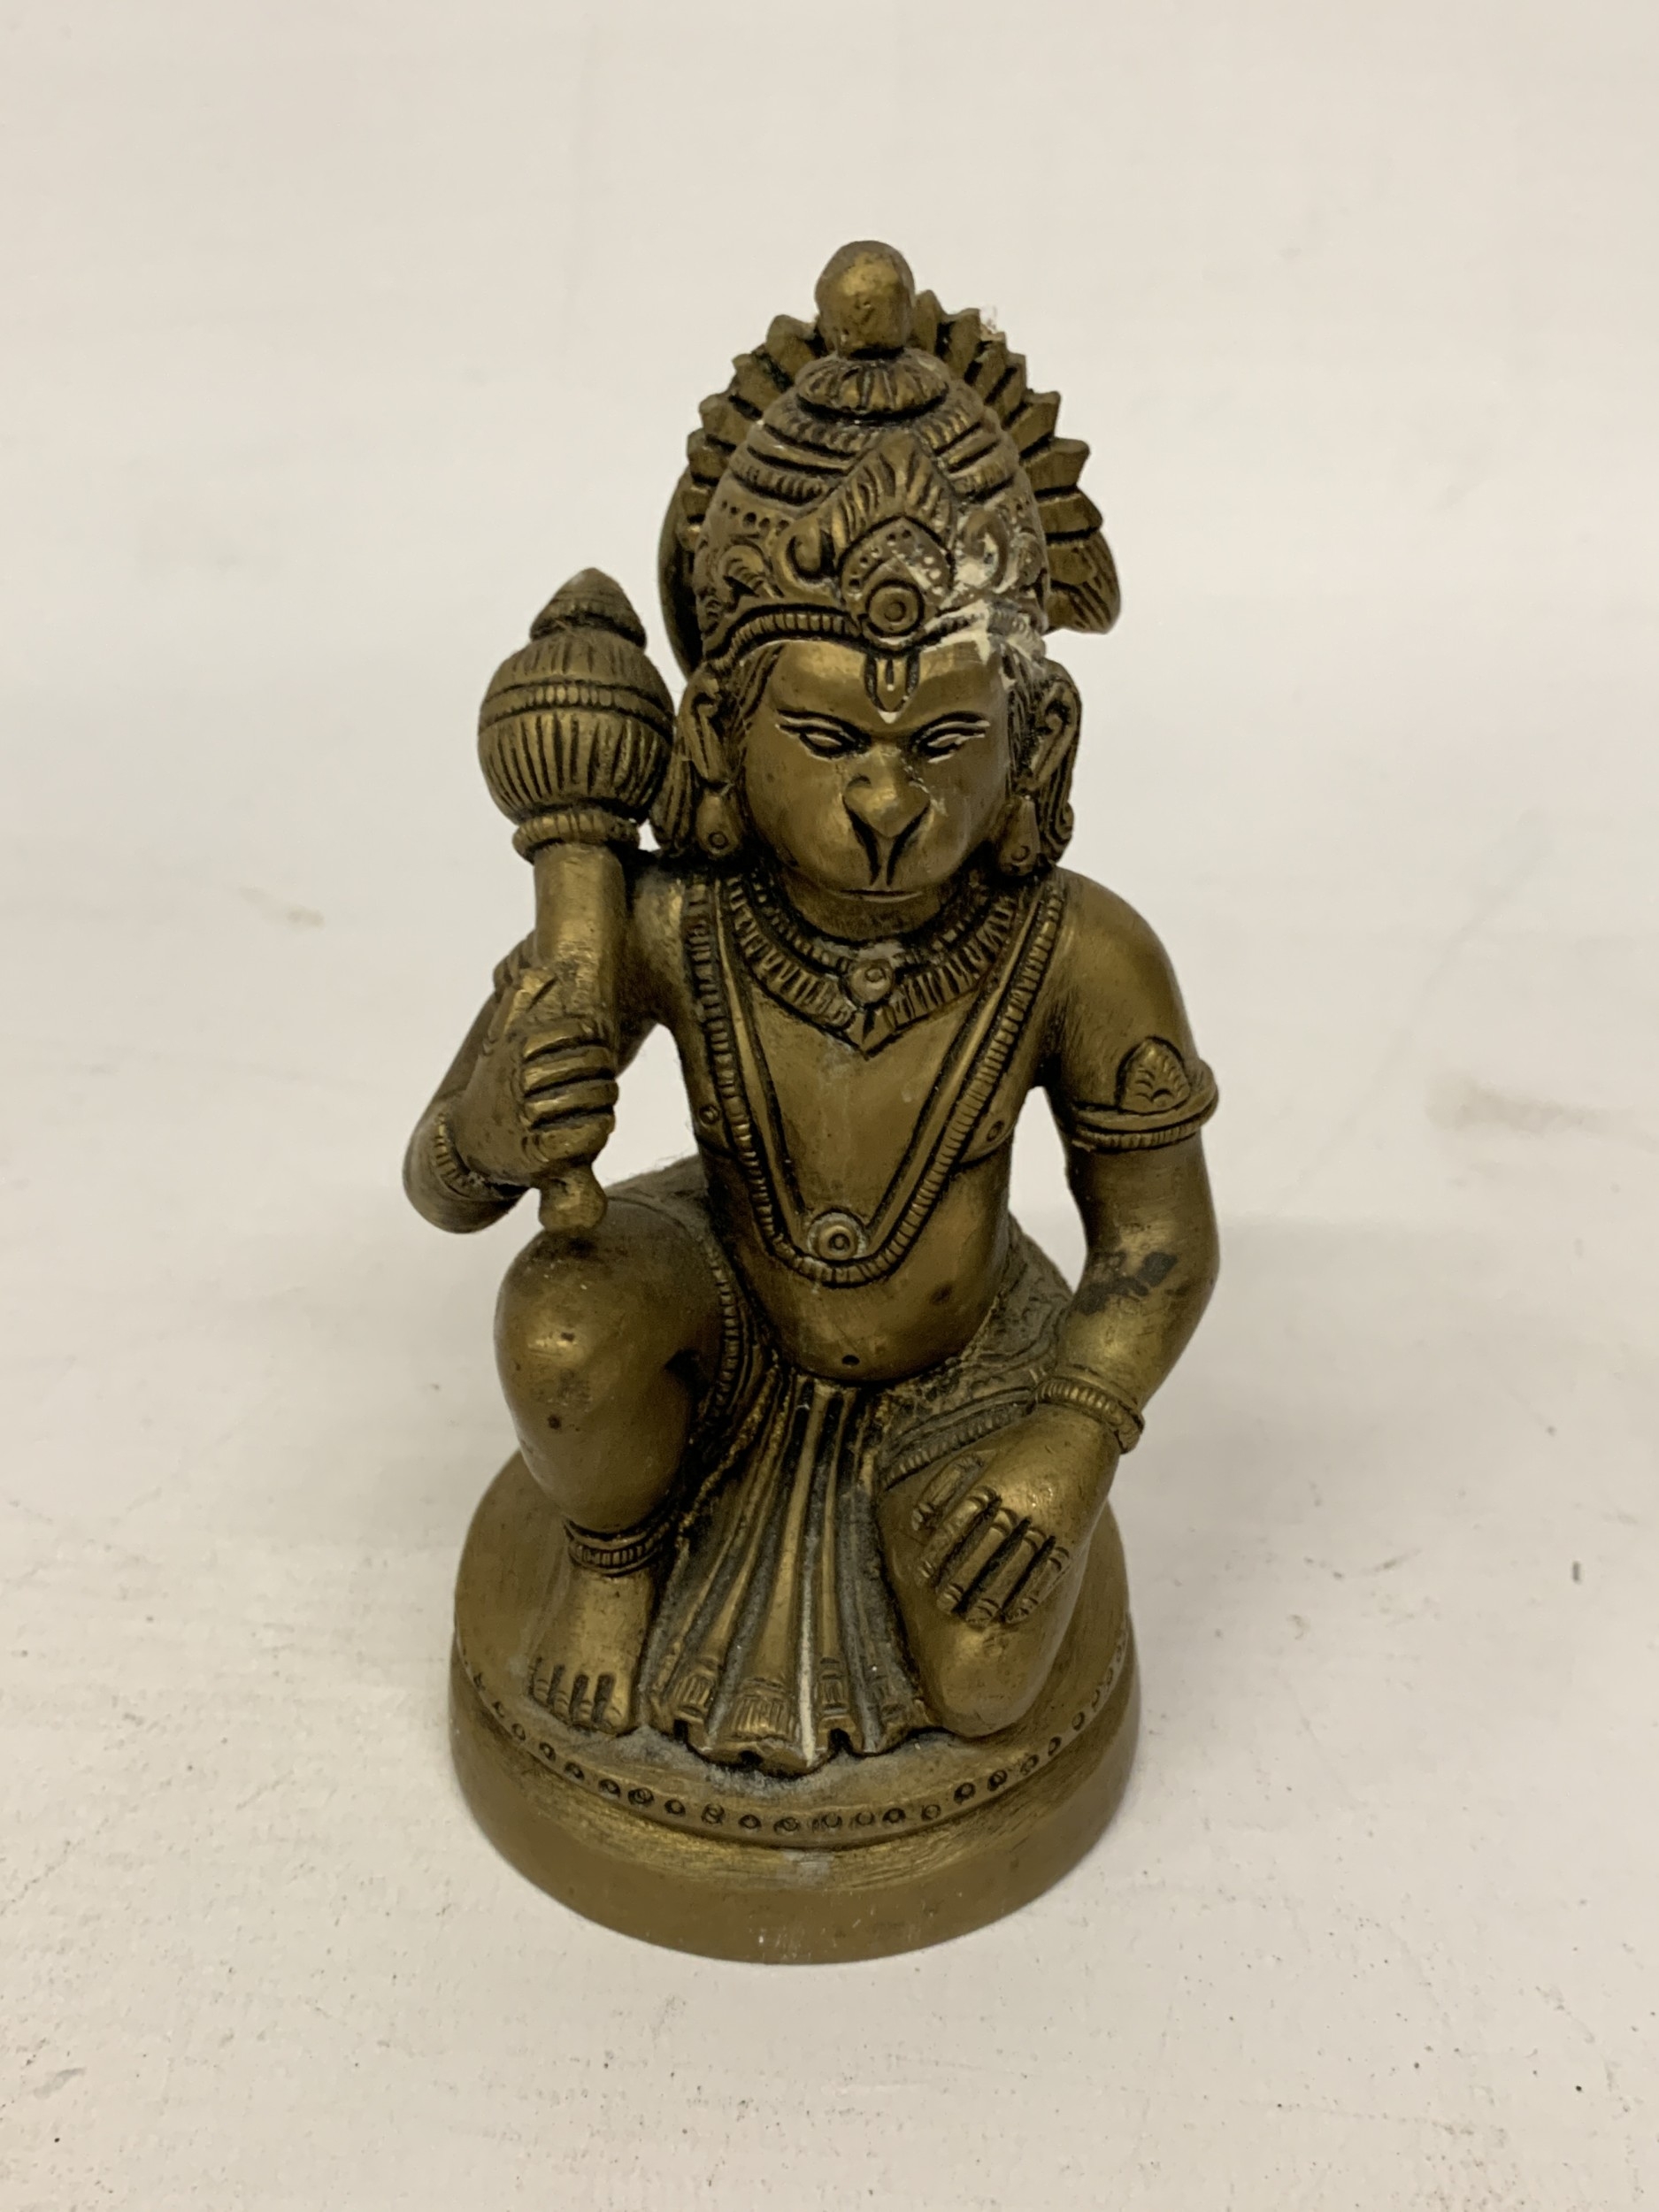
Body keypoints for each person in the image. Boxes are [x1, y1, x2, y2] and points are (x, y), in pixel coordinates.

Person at [405, 242, 1218, 1778]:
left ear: (1039, 735)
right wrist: (494, 1129)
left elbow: (1160, 1244)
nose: (889, 804)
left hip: (964, 1355)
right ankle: (614, 1555)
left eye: (947, 739)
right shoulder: (670, 923)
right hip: (731, 1301)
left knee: (987, 1684)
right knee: (562, 1331)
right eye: (830, 737)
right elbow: (444, 1184)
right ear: (718, 734)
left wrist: (1071, 1435)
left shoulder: (1079, 951)